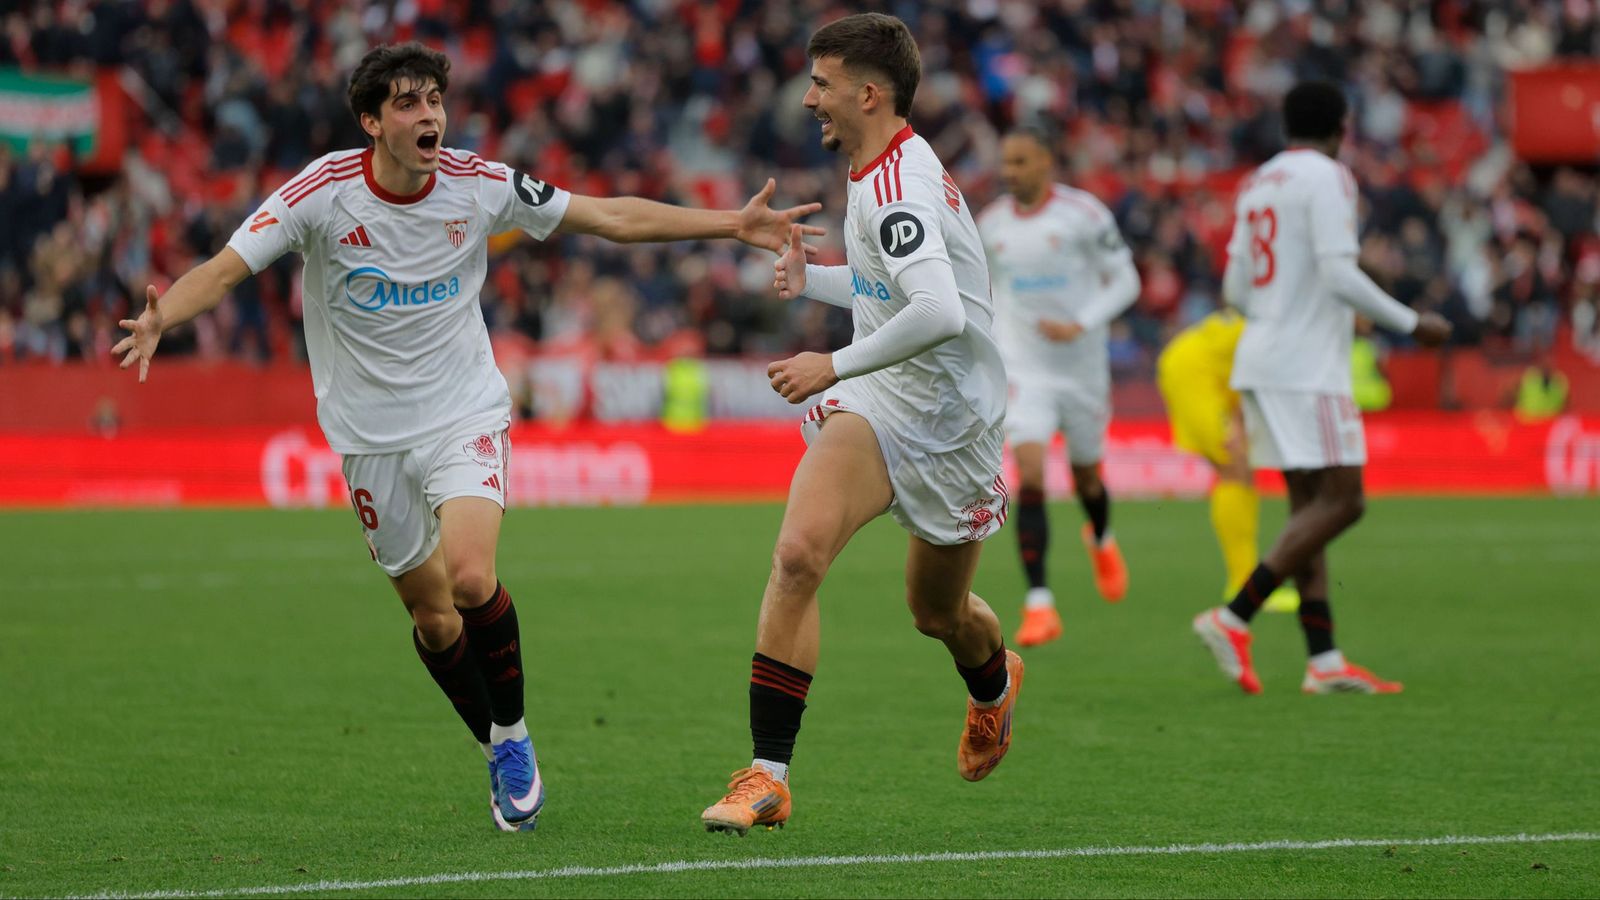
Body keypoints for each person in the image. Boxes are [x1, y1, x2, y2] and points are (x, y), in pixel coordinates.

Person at [113, 42, 823, 832]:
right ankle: (490, 741)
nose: (430, 118)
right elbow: (224, 269)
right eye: (410, 104)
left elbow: (607, 215)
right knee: (433, 619)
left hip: (463, 414)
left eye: (435, 102)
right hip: (368, 437)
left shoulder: (481, 186)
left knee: (471, 578)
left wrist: (732, 224)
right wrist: (161, 317)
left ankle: (513, 738)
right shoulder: (321, 194)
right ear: (372, 121)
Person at [699, 13, 1020, 836]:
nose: (809, 98)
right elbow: (892, 292)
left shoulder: (896, 185)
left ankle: (994, 686)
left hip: (953, 428)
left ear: (867, 93)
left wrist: (830, 364)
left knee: (938, 615)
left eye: (822, 83)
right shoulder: (878, 166)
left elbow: (941, 311)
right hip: (881, 405)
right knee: (799, 554)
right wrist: (815, 284)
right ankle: (767, 778)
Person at [1191, 81, 1451, 695]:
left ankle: (1324, 661)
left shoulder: (1259, 183)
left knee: (1309, 512)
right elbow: (1337, 271)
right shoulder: (1329, 177)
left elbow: (1236, 290)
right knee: (1345, 501)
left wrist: (1289, 299)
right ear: (1342, 126)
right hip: (1308, 368)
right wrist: (1413, 323)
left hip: (1261, 359)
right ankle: (1234, 617)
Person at [977, 128, 1140, 647]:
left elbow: (1127, 280)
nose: (1010, 172)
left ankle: (1102, 536)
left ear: (1046, 161)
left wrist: (1083, 322)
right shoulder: (991, 224)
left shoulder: (1084, 215)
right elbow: (982, 289)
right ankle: (1040, 603)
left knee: (1088, 479)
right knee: (1029, 474)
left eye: (1021, 161)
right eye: (1006, 163)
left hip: (1082, 370)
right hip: (1025, 370)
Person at [1157, 309, 1299, 613]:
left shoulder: (1275, 315)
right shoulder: (1283, 325)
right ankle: (1245, 583)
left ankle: (1247, 581)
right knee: (1235, 468)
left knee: (1241, 472)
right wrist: (1236, 421)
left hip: (1205, 371)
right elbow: (1253, 371)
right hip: (1195, 373)